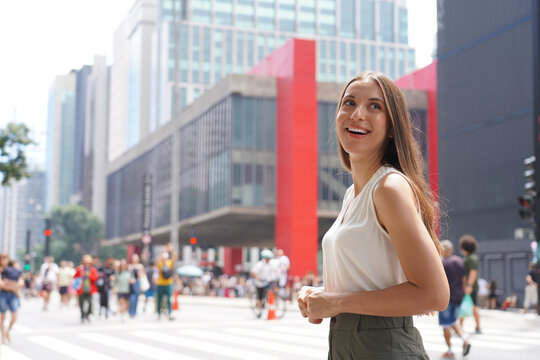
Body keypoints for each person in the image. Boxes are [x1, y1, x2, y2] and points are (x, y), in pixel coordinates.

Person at [297, 71, 449, 359]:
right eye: (349, 103)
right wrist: (321, 296)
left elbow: (435, 295)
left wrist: (336, 302)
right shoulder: (352, 196)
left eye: (374, 106)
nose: (357, 114)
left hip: (382, 348)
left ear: (392, 127)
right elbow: (372, 279)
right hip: (347, 345)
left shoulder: (389, 188)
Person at [439, 240, 471, 358]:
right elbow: (464, 279)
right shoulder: (459, 261)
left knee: (446, 324)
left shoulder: (442, 263)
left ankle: (450, 350)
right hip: (458, 296)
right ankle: (464, 339)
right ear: (451, 250)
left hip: (446, 297)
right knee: (454, 320)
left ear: (443, 250)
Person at [458, 234, 481, 333]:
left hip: (469, 287)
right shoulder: (469, 257)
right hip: (467, 287)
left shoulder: (471, 258)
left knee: (473, 306)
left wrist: (469, 285)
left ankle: (478, 326)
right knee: (467, 305)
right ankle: (462, 326)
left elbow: (473, 272)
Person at [0, 254, 22, 344]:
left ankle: (7, 332)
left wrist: (10, 284)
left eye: (5, 258)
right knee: (3, 317)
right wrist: (12, 284)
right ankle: (3, 336)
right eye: (2, 258)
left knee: (14, 316)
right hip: (3, 294)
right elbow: (1, 284)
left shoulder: (13, 267)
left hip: (13, 294)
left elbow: (20, 280)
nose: (4, 260)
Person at [250, 249, 278, 314]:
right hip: (260, 283)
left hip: (267, 281)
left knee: (270, 291)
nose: (269, 259)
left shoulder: (270, 264)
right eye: (268, 258)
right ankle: (259, 310)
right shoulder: (259, 264)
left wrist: (274, 277)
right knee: (260, 297)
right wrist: (257, 277)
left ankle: (269, 300)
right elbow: (252, 272)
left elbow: (273, 272)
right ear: (265, 258)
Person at [73, 254, 98, 323]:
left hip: (90, 289)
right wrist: (80, 275)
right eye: (86, 262)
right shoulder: (80, 269)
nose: (87, 264)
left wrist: (89, 275)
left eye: (88, 262)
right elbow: (75, 277)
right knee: (81, 303)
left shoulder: (92, 269)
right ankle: (82, 315)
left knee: (90, 303)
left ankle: (88, 314)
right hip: (81, 289)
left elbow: (95, 279)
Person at [156, 243, 177, 320]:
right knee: (159, 299)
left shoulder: (169, 263)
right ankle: (159, 313)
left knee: (169, 299)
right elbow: (157, 260)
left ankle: (170, 313)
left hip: (168, 283)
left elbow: (174, 258)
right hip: (161, 283)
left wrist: (172, 250)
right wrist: (162, 252)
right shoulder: (160, 264)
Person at [128, 253, 145, 318]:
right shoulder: (130, 266)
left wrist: (140, 274)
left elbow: (143, 275)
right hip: (131, 283)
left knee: (136, 297)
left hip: (137, 282)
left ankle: (134, 312)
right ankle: (131, 312)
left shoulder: (140, 266)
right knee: (132, 298)